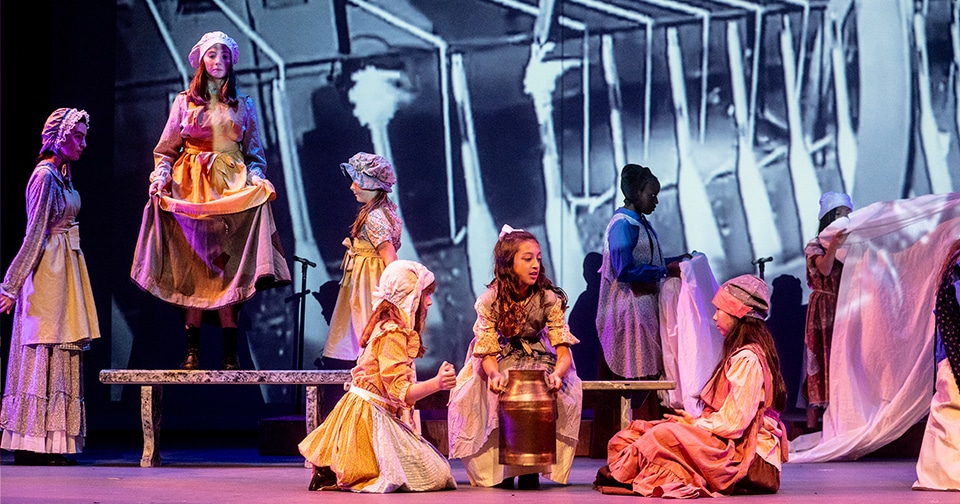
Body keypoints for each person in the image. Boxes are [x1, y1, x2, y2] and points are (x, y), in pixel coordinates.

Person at [130, 31, 290, 370]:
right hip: (191, 192)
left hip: (229, 193)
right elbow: (165, 151)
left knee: (225, 268)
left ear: (232, 62)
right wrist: (160, 177)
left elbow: (255, 153)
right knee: (195, 269)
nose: (218, 62)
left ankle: (231, 351)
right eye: (212, 56)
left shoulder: (242, 104)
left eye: (224, 56)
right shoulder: (183, 102)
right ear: (202, 60)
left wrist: (256, 177)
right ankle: (192, 350)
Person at [595, 274, 788, 498]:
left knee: (663, 435)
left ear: (737, 314)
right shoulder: (742, 354)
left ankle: (634, 474)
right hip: (731, 441)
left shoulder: (748, 360)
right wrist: (693, 422)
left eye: (720, 310)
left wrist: (696, 424)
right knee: (643, 430)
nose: (715, 317)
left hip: (748, 457)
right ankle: (629, 472)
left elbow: (735, 423)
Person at [298, 260, 457, 493]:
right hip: (368, 416)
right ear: (409, 297)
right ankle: (340, 467)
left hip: (364, 410)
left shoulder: (386, 326)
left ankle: (335, 466)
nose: (430, 302)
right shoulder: (393, 333)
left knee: (435, 472)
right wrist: (438, 383)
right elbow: (400, 391)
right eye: (425, 295)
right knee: (435, 474)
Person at [0, 108, 100, 465]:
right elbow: (34, 234)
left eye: (85, 137)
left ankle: (56, 442)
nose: (84, 144)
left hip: (66, 268)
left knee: (63, 350)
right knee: (44, 348)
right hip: (46, 272)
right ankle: (32, 442)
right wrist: (11, 284)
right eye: (78, 136)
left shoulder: (64, 175)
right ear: (59, 137)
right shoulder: (44, 177)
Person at [447, 225, 582, 489]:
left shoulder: (548, 299)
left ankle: (531, 466)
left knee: (545, 387)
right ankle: (502, 470)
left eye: (538, 259)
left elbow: (563, 351)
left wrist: (557, 373)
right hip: (499, 355)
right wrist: (494, 373)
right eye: (527, 258)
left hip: (539, 356)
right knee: (491, 388)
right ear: (509, 263)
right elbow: (487, 349)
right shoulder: (490, 300)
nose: (535, 265)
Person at [596, 164, 682, 382]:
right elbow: (624, 270)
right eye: (652, 195)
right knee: (633, 369)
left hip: (642, 306)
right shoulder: (622, 225)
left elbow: (650, 259)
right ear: (636, 193)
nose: (656, 201)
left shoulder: (639, 222)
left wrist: (678, 261)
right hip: (628, 310)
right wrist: (664, 270)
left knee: (647, 366)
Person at [320, 152, 401, 369]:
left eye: (358, 181)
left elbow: (389, 256)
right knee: (357, 324)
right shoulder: (376, 212)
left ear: (372, 184)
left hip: (370, 282)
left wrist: (393, 293)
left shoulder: (375, 217)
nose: (352, 187)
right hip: (362, 277)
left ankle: (368, 365)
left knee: (366, 322)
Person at [801, 191, 852, 429]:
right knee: (818, 361)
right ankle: (812, 426)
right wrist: (833, 245)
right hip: (823, 309)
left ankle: (840, 420)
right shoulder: (815, 245)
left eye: (849, 214)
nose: (846, 218)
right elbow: (823, 268)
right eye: (841, 213)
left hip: (844, 307)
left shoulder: (852, 245)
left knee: (842, 361)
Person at [913, 240, 960, 490]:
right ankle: (944, 475)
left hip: (951, 351)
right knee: (952, 406)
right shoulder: (959, 264)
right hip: (955, 351)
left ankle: (941, 473)